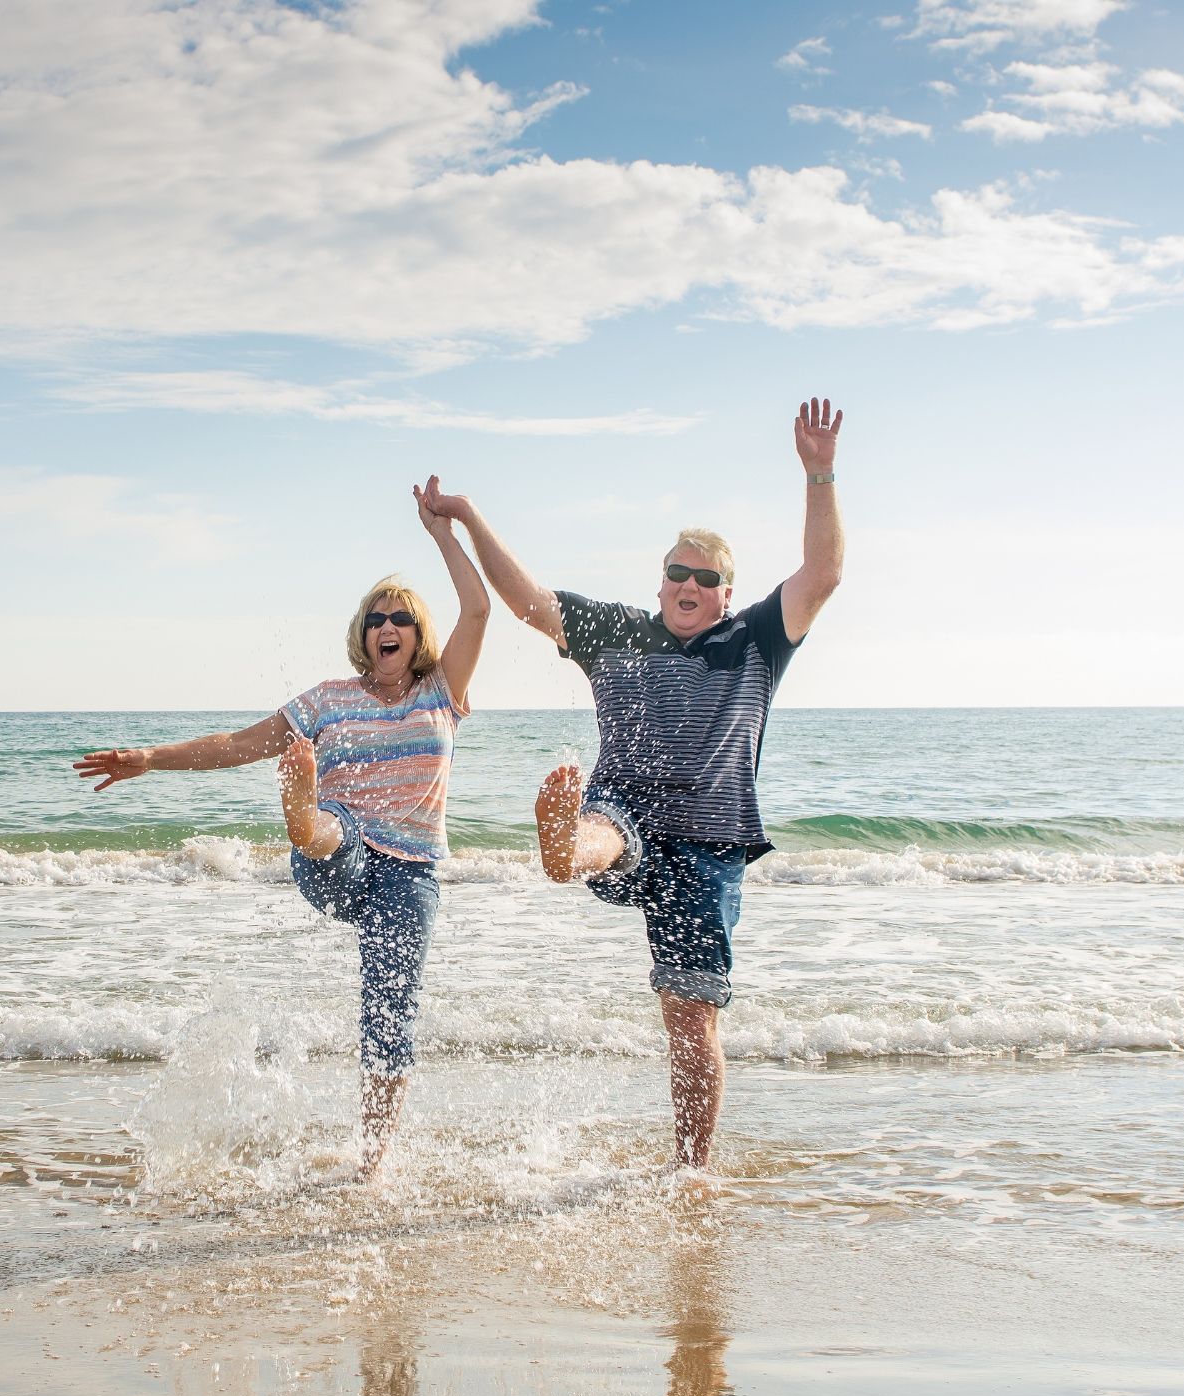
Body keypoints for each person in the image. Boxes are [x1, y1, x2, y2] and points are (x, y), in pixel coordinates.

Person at [420, 398, 845, 1170]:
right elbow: (526, 604)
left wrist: (819, 474)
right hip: (626, 809)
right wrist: (469, 519)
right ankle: (564, 846)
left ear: (724, 592)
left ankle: (692, 1171)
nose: (686, 582)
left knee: (690, 1018)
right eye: (674, 571)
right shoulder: (619, 631)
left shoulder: (755, 640)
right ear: (659, 586)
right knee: (608, 829)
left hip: (709, 846)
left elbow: (823, 575)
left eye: (702, 576)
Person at [73, 486, 490, 1179]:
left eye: (401, 619)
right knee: (335, 836)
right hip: (339, 852)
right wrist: (150, 759)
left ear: (418, 634)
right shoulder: (327, 698)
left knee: (391, 1011)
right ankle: (305, 818)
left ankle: (372, 1160)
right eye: (375, 618)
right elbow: (235, 743)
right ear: (362, 634)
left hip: (410, 875)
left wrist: (447, 530)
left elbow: (478, 607)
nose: (387, 627)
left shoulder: (442, 690)